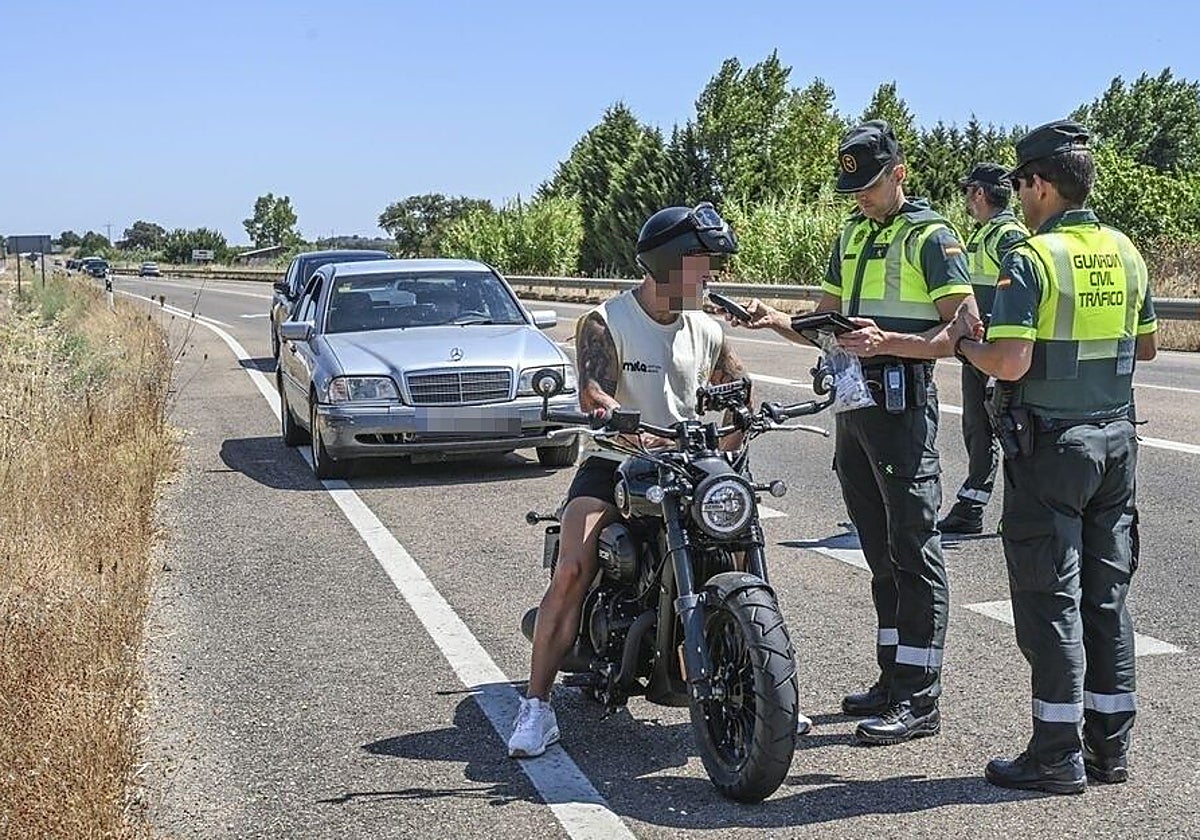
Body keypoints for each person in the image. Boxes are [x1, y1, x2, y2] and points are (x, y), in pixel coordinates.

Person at [508, 202, 790, 757]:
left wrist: (734, 439)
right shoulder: (607, 321)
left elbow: (738, 390)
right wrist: (624, 424)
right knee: (572, 566)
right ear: (665, 263)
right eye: (701, 264)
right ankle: (536, 706)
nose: (711, 275)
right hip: (615, 462)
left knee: (737, 547)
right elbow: (593, 391)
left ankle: (765, 693)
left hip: (685, 465)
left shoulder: (705, 327)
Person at [732, 120, 974, 745]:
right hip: (854, 406)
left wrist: (886, 342)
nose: (861, 198)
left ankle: (921, 698)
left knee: (914, 547)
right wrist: (777, 319)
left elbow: (961, 331)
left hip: (901, 405)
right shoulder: (853, 233)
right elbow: (826, 324)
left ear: (900, 173)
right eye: (853, 190)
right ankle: (894, 675)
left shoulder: (932, 236)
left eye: (869, 186)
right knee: (878, 547)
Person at [951, 119, 1157, 794]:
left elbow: (1009, 361)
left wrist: (964, 346)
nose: (1018, 194)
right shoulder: (1127, 250)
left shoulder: (1032, 259)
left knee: (1050, 601)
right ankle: (1110, 752)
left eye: (1019, 183)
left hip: (1050, 451)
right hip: (1116, 444)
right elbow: (1147, 347)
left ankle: (1055, 755)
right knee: (1107, 599)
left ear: (1040, 183)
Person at [938, 164, 1028, 535]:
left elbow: (1023, 286)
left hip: (995, 347)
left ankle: (1011, 509)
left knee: (1002, 427)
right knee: (980, 425)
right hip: (982, 345)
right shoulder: (988, 233)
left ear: (979, 193)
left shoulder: (1006, 235)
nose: (966, 201)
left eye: (967, 193)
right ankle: (974, 503)